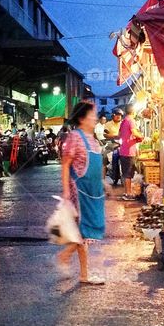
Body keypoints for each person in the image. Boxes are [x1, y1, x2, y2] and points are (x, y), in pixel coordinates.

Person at [58, 101, 105, 285]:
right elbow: (65, 164)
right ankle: (66, 256)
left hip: (94, 191)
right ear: (81, 118)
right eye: (91, 115)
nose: (95, 118)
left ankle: (83, 274)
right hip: (80, 191)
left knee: (88, 230)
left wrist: (102, 184)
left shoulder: (92, 138)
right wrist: (66, 191)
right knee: (84, 231)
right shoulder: (75, 137)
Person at [117, 105, 142, 201]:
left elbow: (120, 134)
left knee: (125, 172)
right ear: (133, 112)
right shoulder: (131, 120)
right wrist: (141, 137)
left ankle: (126, 192)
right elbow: (134, 132)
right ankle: (128, 194)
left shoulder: (123, 121)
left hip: (123, 150)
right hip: (129, 151)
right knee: (128, 173)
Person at [103, 110, 123, 185]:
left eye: (120, 115)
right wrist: (114, 136)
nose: (118, 116)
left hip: (121, 144)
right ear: (113, 116)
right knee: (104, 158)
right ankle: (103, 180)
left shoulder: (123, 123)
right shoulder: (108, 124)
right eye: (117, 115)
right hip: (111, 143)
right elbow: (105, 134)